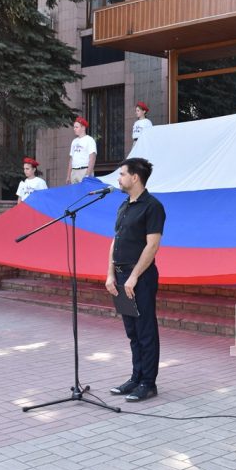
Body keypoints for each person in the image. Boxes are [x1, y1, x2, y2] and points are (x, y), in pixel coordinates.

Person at [105, 158, 166, 402]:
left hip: (140, 277)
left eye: (122, 174)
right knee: (131, 330)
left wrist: (133, 277)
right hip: (121, 276)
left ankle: (148, 383)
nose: (118, 179)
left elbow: (152, 246)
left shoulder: (152, 207)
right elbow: (115, 241)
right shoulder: (124, 206)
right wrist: (110, 273)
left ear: (135, 177)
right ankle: (136, 377)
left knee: (145, 330)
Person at [66, 116, 97, 184]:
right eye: (74, 127)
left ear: (83, 128)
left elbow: (92, 158)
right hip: (74, 171)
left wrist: (87, 175)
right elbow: (71, 159)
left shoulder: (89, 140)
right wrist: (68, 175)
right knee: (75, 193)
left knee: (85, 193)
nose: (74, 129)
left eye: (76, 127)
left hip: (84, 170)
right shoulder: (74, 141)